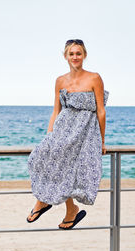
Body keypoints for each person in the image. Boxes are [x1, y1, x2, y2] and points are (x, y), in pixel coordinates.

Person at [27, 39, 109, 230]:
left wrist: (102, 141)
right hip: (63, 129)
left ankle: (48, 204)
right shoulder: (60, 80)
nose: (75, 57)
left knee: (69, 168)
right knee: (39, 157)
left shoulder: (94, 78)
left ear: (84, 55)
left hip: (85, 132)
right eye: (71, 54)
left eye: (78, 53)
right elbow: (56, 110)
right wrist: (50, 134)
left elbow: (101, 111)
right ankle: (50, 203)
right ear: (65, 56)